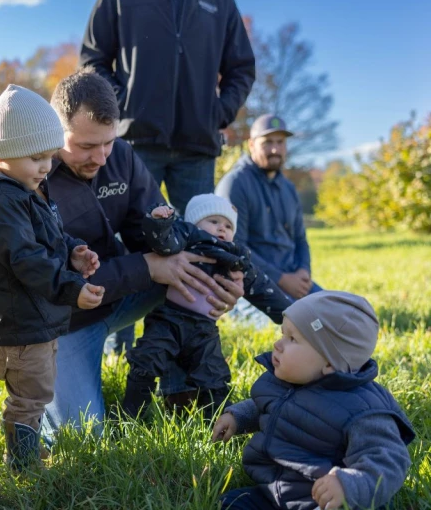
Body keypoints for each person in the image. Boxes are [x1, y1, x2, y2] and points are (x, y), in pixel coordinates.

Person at [43, 70, 245, 440]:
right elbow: (51, 282)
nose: (101, 158)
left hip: (120, 292)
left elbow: (164, 238)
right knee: (82, 437)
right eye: (86, 146)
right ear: (56, 131)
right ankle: (48, 398)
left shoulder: (122, 156)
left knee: (188, 271)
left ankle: (180, 390)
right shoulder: (32, 175)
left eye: (108, 142)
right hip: (63, 320)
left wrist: (223, 280)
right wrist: (146, 267)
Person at [0, 84, 105, 470]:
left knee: (39, 390)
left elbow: (47, 235)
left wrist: (72, 250)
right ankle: (21, 464)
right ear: (2, 153)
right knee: (30, 397)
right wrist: (72, 288)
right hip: (18, 325)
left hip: (37, 319)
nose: (46, 167)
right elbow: (26, 258)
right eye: (36, 158)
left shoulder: (24, 188)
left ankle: (28, 450)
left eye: (50, 157)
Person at [212, 291, 415, 510]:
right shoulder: (285, 380)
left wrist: (348, 485)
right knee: (231, 503)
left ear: (329, 363)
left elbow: (388, 460)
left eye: (292, 339)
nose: (278, 345)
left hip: (325, 501)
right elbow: (267, 405)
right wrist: (238, 418)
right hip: (274, 491)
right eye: (282, 334)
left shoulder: (362, 410)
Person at [121, 194, 291, 419]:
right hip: (169, 319)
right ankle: (132, 416)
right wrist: (159, 221)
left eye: (228, 225)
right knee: (147, 359)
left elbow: (261, 286)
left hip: (204, 329)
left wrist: (287, 314)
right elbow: (163, 242)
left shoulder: (236, 255)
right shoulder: (186, 237)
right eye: (214, 222)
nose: (222, 228)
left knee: (213, 374)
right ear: (194, 223)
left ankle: (217, 422)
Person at [79, 0, 255, 216]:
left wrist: (219, 113)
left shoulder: (221, 2)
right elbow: (93, 60)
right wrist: (121, 104)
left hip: (197, 148)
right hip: (134, 143)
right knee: (123, 238)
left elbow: (242, 69)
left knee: (198, 240)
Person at [216, 114, 322, 301]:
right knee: (300, 323)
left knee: (342, 310)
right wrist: (281, 279)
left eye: (280, 142)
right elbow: (234, 246)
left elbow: (300, 238)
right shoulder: (236, 184)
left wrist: (303, 272)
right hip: (252, 285)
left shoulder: (288, 188)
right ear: (251, 145)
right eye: (267, 142)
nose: (275, 149)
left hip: (294, 279)